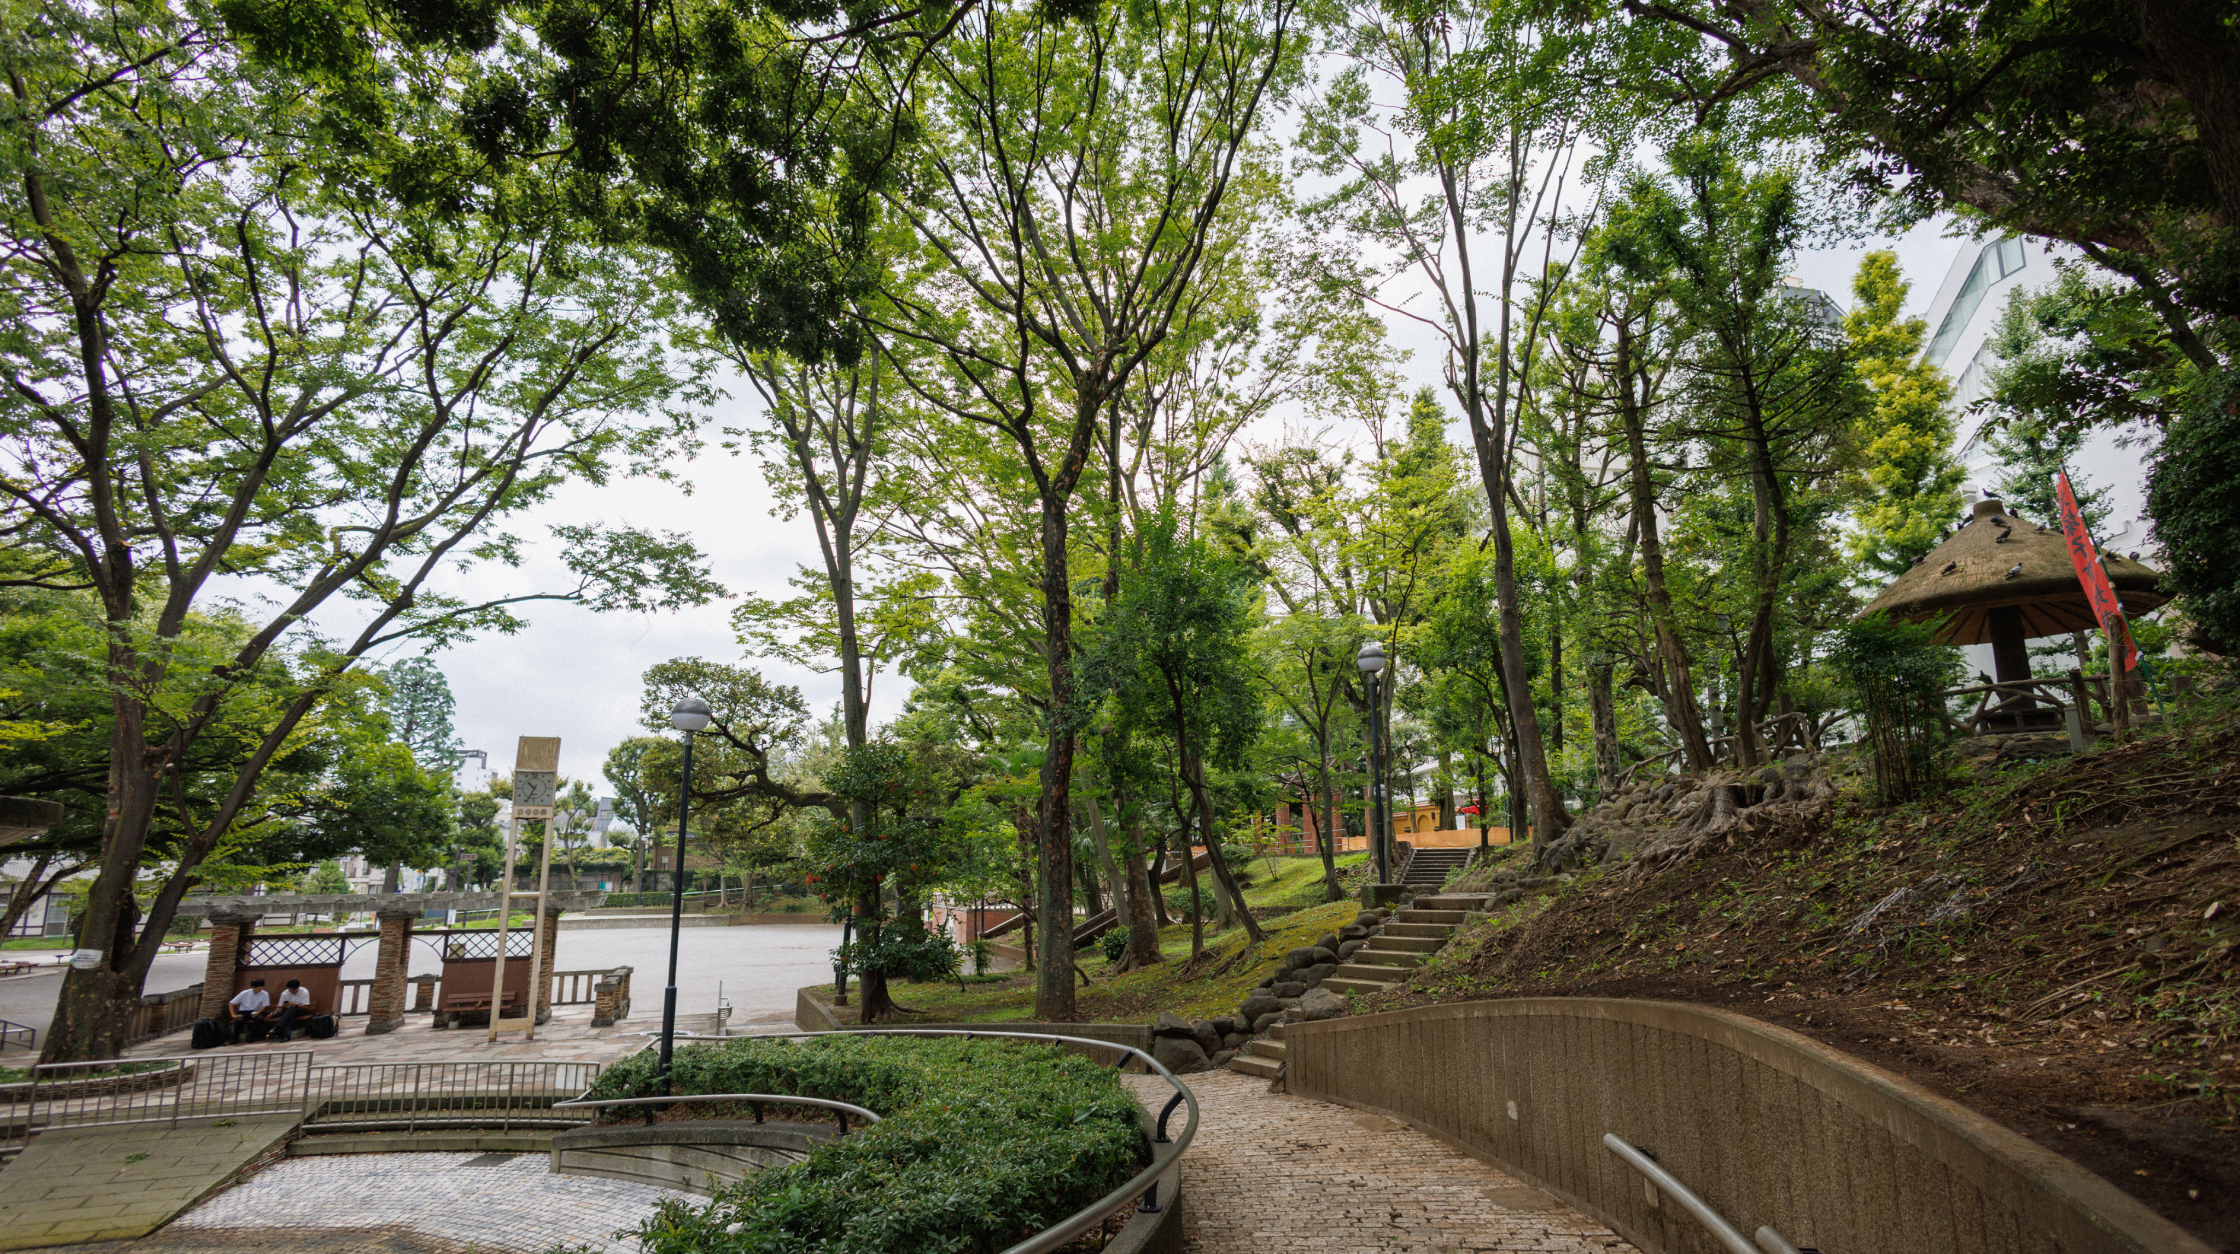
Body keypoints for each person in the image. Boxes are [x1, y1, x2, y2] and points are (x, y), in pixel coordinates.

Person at [226, 978, 270, 1044]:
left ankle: (252, 1037)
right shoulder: (244, 993)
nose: (261, 988)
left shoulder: (265, 994)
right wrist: (233, 1014)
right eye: (259, 987)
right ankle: (235, 1039)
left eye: (261, 987)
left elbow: (264, 1005)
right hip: (244, 1011)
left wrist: (258, 1012)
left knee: (260, 1019)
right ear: (253, 987)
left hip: (256, 1011)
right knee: (239, 1021)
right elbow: (231, 1003)